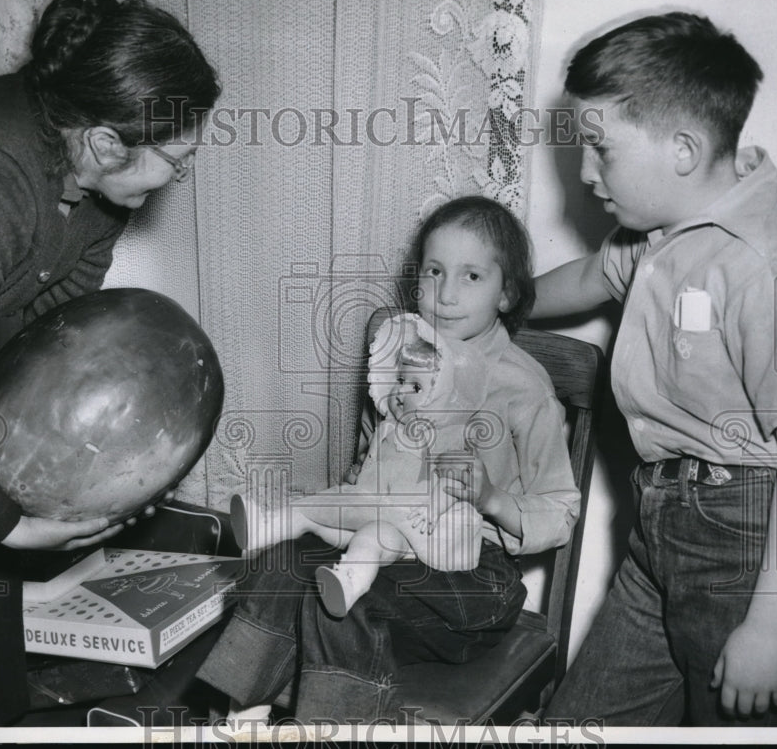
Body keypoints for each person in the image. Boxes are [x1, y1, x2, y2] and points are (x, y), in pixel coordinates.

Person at [0, 0, 221, 727]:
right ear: (104, 143)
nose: (176, 180)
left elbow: (36, 343)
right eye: (177, 161)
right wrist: (9, 526)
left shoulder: (96, 191)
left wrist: (96, 466)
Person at [534, 12, 777, 726]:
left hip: (746, 547)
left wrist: (767, 629)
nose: (586, 173)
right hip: (658, 530)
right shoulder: (660, 238)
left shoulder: (766, 261)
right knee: (580, 724)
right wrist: (492, 309)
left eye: (599, 148)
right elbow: (588, 277)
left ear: (684, 149)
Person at [195, 195, 580, 726]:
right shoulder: (399, 358)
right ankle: (241, 714)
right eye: (434, 271)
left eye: (471, 277)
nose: (445, 295)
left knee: (345, 599)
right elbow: (372, 471)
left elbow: (559, 511)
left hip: (471, 573)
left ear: (507, 292)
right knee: (282, 563)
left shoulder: (523, 386)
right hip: (387, 544)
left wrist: (491, 497)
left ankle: (329, 728)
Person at [230, 310, 489, 617]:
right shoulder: (388, 429)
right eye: (401, 381)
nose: (401, 393)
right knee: (341, 530)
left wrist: (433, 507)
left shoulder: (444, 439)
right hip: (377, 520)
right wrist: (363, 473)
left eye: (416, 388)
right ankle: (349, 580)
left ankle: (270, 525)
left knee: (327, 506)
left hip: (407, 528)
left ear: (446, 399)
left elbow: (456, 482)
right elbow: (371, 470)